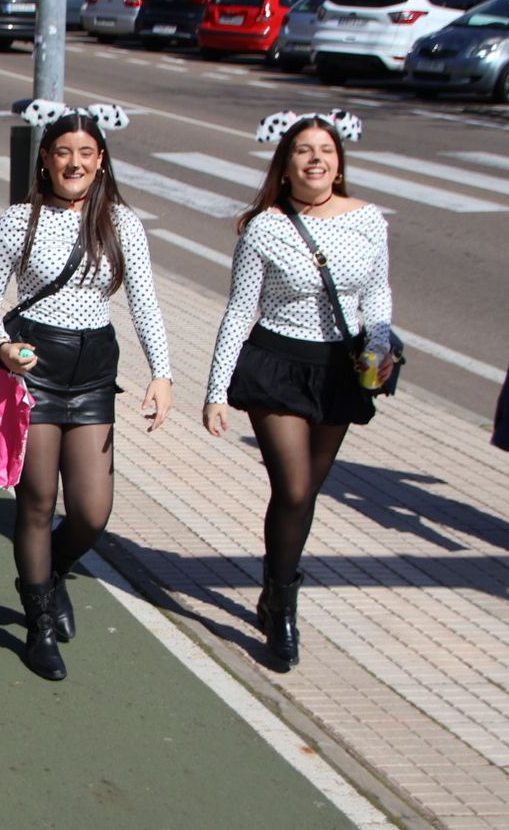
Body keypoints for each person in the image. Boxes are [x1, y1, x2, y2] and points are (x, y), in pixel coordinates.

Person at [0, 103, 172, 682]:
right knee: (37, 501)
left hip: (92, 375)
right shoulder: (19, 220)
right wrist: (2, 345)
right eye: (63, 152)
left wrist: (162, 373)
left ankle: (50, 572)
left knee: (91, 511)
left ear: (101, 160)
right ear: (46, 158)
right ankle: (37, 623)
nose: (74, 163)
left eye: (86, 153)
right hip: (33, 369)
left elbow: (144, 302)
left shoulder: (121, 222)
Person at [202, 111, 393, 670]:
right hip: (276, 366)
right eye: (304, 151)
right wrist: (216, 389)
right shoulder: (265, 227)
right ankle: (284, 609)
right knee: (294, 486)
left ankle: (272, 588)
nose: (316, 159)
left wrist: (379, 347)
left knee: (306, 493)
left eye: (325, 151)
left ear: (339, 164)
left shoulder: (368, 220)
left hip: (338, 369)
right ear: (285, 167)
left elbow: (377, 293)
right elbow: (240, 309)